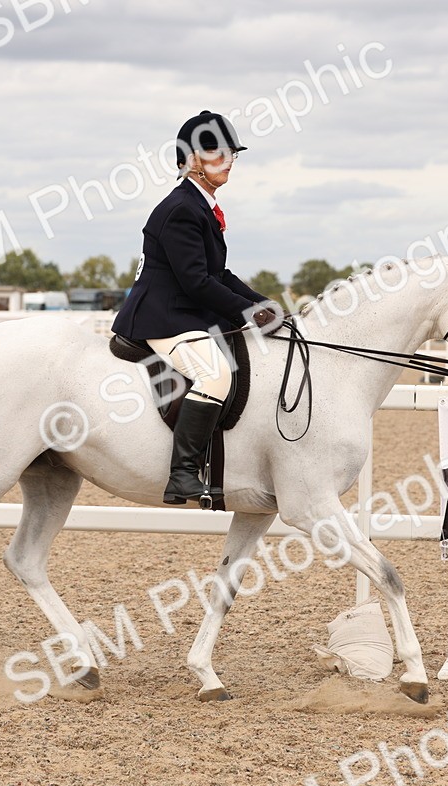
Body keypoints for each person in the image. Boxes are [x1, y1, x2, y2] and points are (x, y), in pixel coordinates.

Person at [112, 110, 279, 504]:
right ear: (191, 160)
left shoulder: (201, 206)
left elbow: (218, 274)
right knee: (215, 376)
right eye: (218, 153)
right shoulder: (182, 208)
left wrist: (264, 305)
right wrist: (248, 315)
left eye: (231, 154)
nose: (228, 162)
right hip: (164, 317)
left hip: (185, 312)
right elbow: (196, 282)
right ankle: (183, 473)